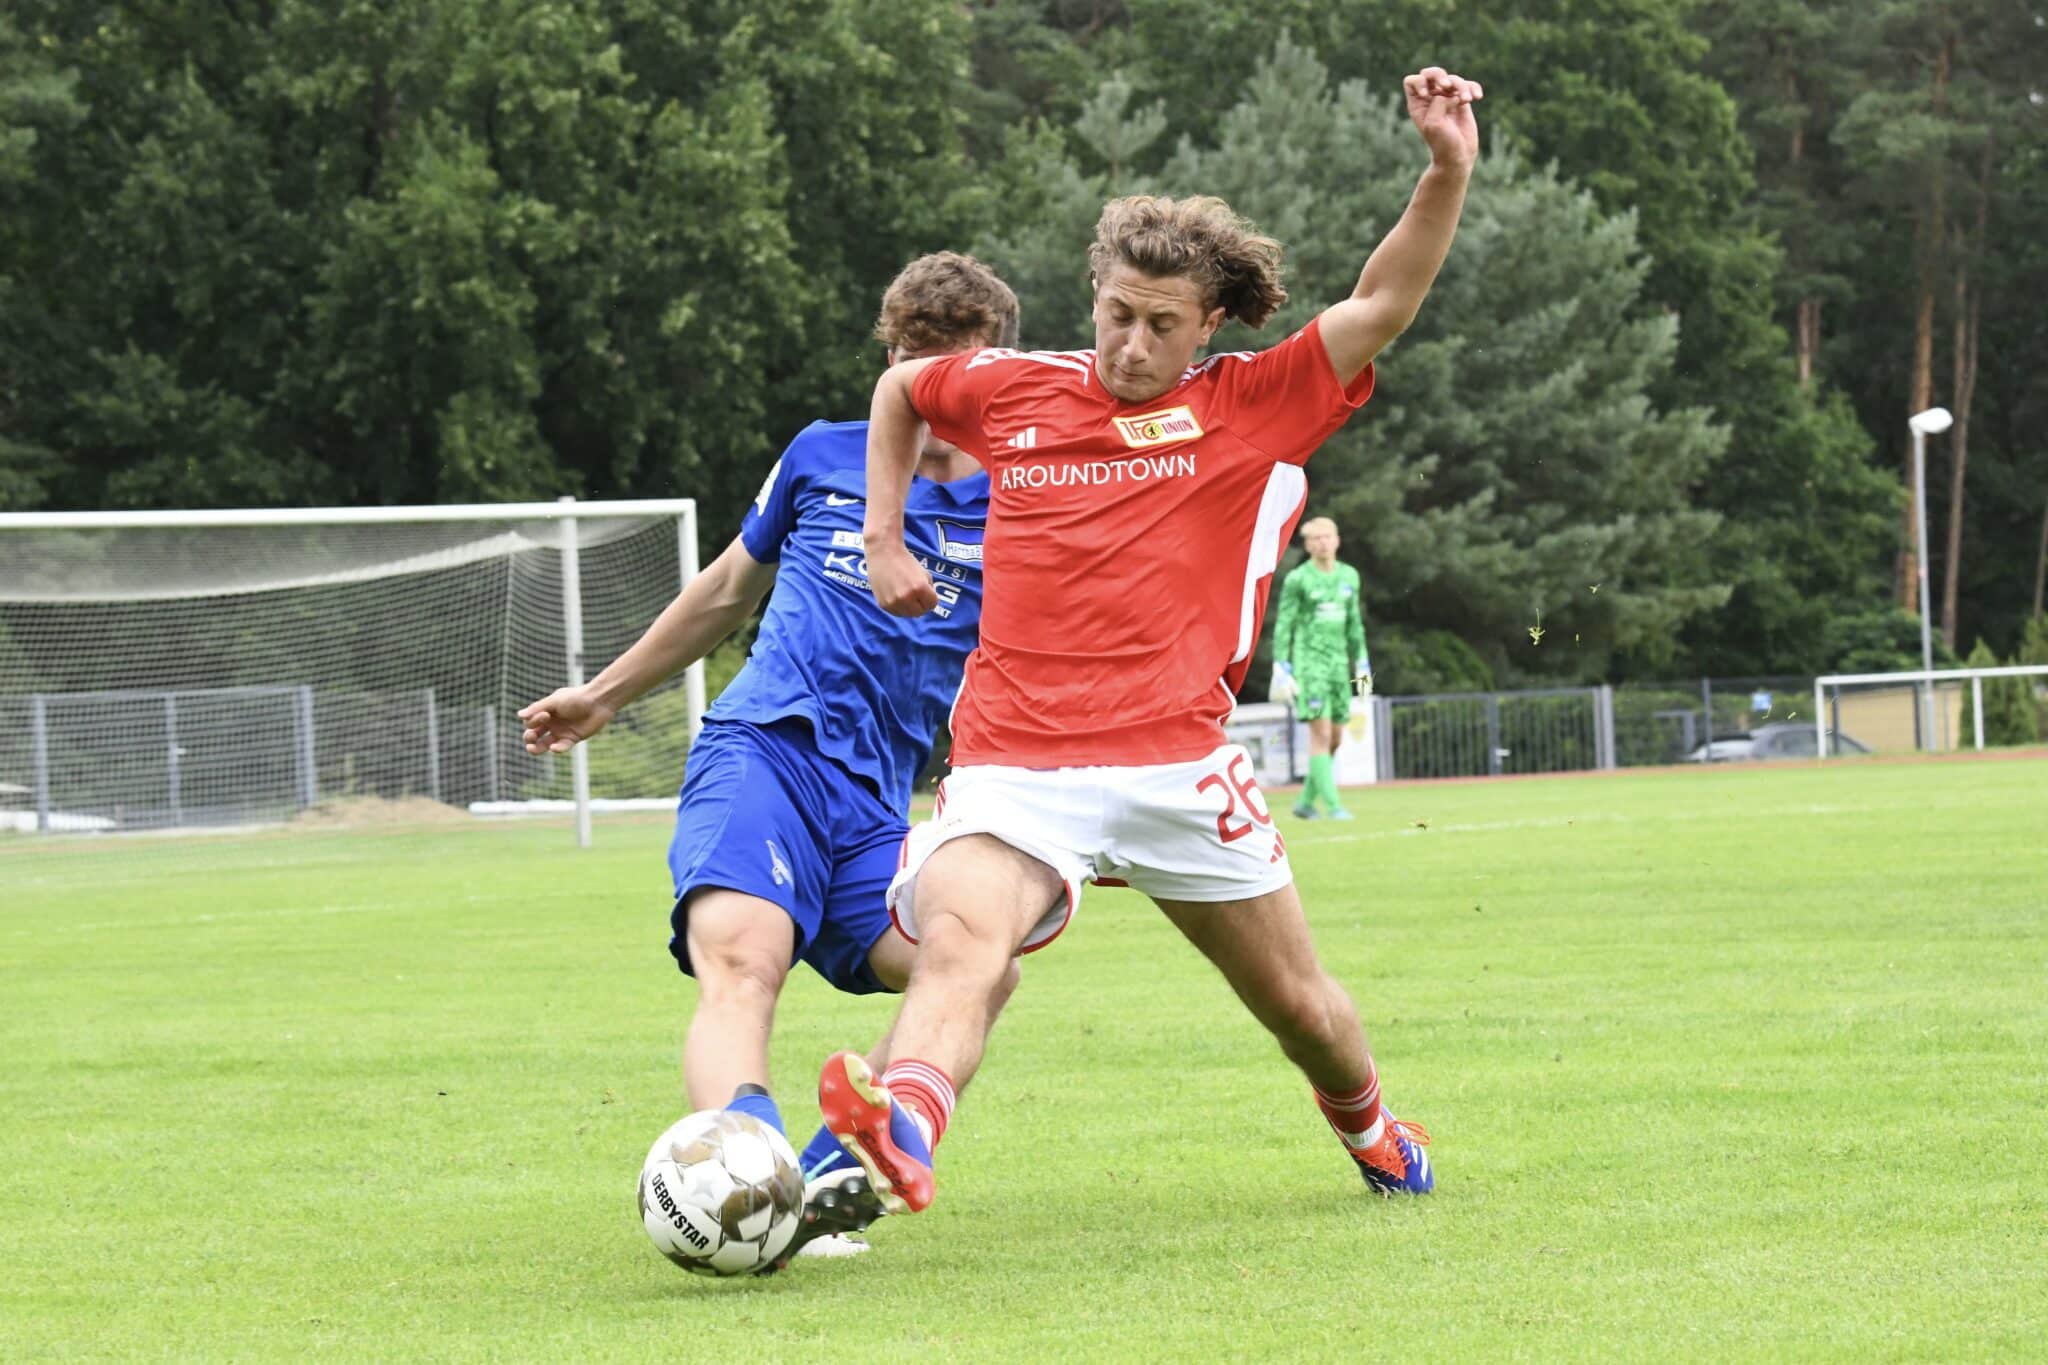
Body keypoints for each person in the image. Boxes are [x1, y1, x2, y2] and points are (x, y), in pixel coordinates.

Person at [817, 67, 1482, 1215]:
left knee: (1300, 1012)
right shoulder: (1011, 389)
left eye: (1160, 325)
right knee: (961, 946)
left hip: (1177, 764)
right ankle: (904, 1127)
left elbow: (1381, 304)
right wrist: (883, 538)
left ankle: (1374, 1133)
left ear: (1208, 322)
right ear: (1093, 294)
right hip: (1014, 761)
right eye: (1114, 313)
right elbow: (902, 392)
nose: (1130, 344)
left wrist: (1444, 168)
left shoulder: (1249, 401)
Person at [517, 252, 1023, 1264]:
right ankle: (743, 1179)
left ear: (994, 369)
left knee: (972, 968)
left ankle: (826, 1173)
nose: (931, 397)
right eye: (912, 369)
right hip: (767, 754)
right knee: (744, 964)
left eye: (953, 373)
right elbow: (721, 594)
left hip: (880, 807)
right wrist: (604, 695)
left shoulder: (1023, 499)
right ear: (889, 361)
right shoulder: (822, 455)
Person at [1272, 516, 1370, 820]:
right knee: (1321, 735)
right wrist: (1281, 663)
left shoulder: (1349, 576)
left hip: (1339, 666)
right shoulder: (1298, 579)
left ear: (1337, 540)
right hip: (1309, 665)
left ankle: (1304, 802)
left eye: (1327, 536)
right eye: (1316, 538)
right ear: (1307, 544)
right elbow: (1284, 623)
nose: (1323, 542)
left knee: (1337, 737)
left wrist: (1363, 661)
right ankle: (1333, 806)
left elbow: (1354, 624)